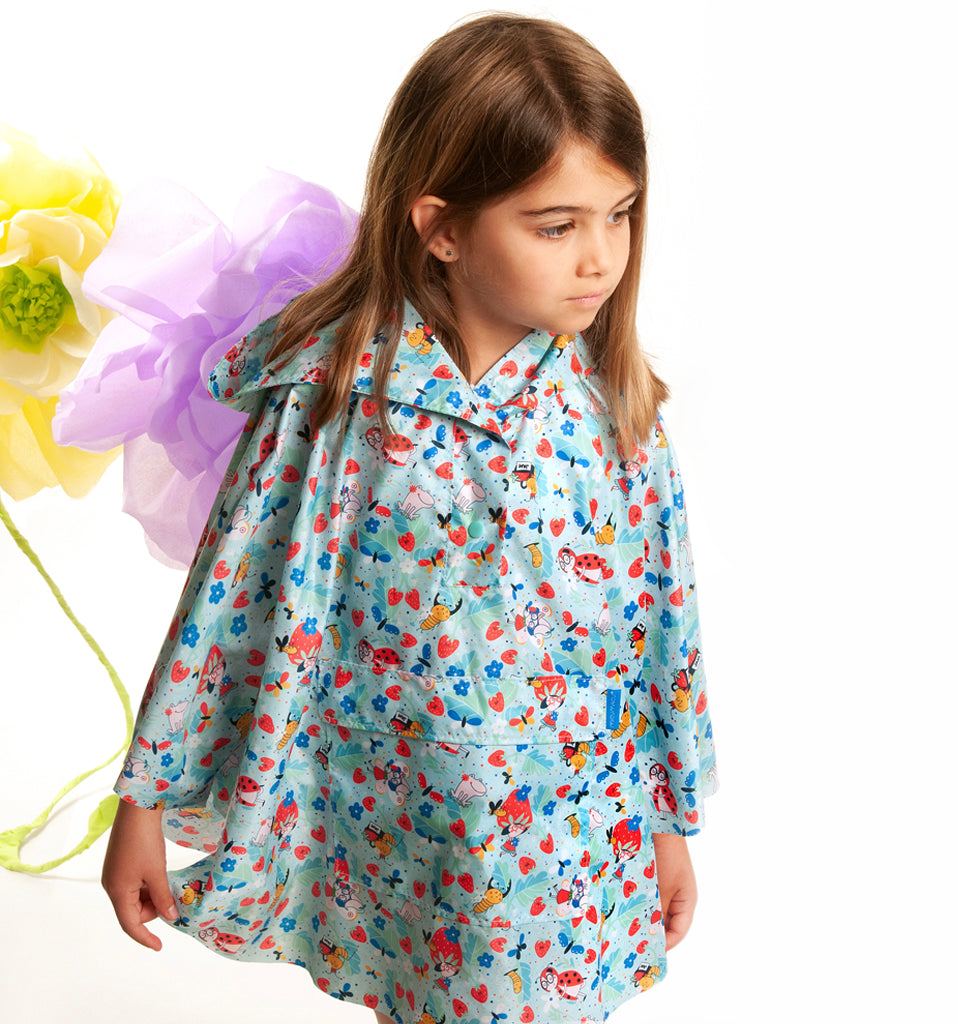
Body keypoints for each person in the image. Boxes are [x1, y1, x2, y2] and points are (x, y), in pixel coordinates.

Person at [102, 13, 718, 1024]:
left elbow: (663, 633)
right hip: (390, 807)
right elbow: (230, 598)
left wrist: (666, 822)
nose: (600, 258)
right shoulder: (334, 396)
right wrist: (145, 801)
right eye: (556, 225)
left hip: (565, 831)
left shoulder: (616, 414)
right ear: (441, 225)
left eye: (619, 215)